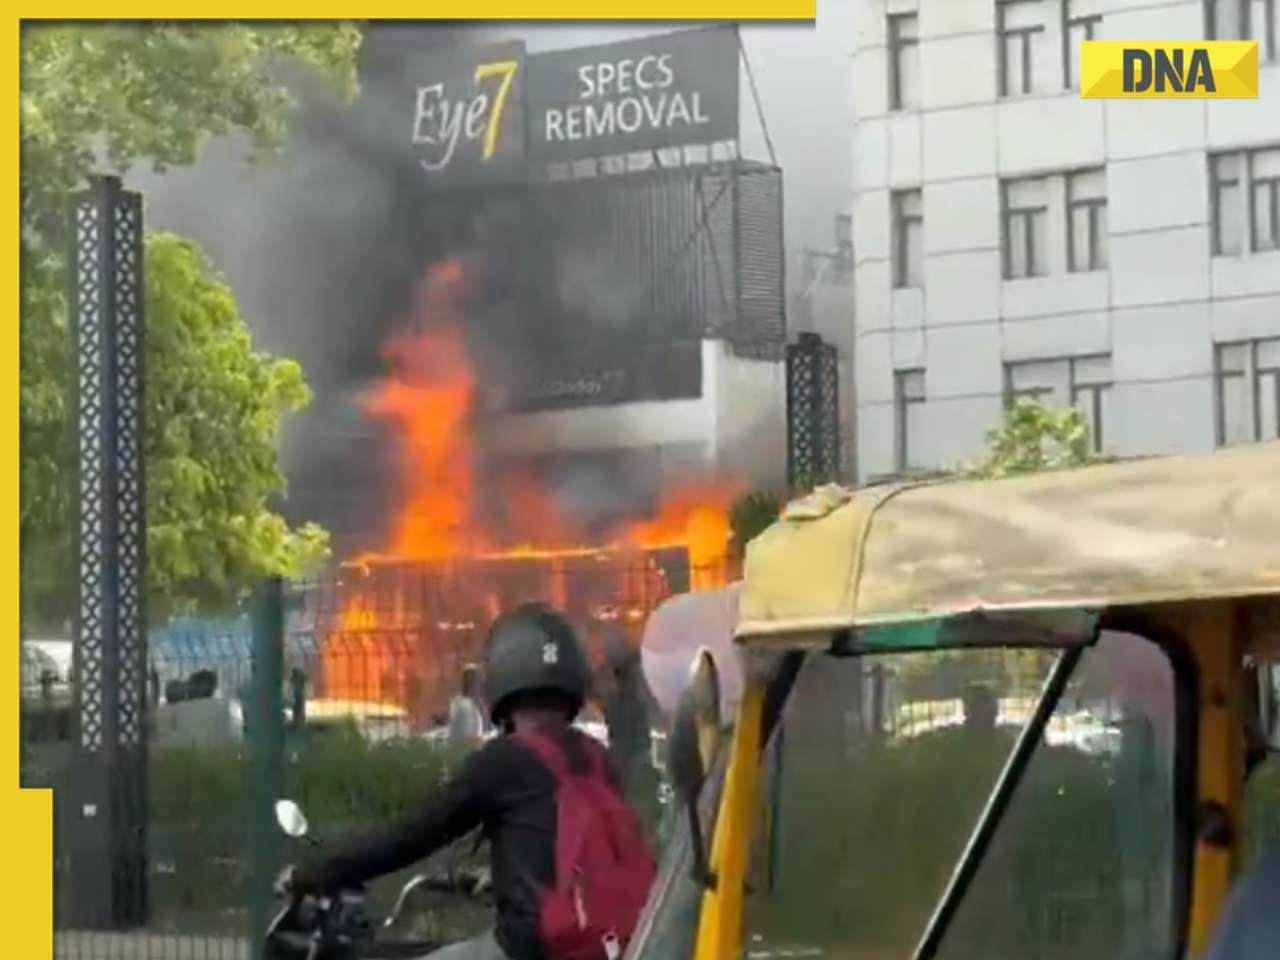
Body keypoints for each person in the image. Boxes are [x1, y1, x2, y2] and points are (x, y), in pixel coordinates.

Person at [282, 603, 657, 960]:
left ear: (503, 676)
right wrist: (497, 876)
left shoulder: (507, 760)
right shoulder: (594, 756)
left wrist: (317, 871)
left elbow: (410, 836)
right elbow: (559, 843)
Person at [448, 662, 486, 751]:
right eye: (479, 682)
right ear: (473, 684)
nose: (481, 687)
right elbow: (469, 741)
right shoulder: (466, 709)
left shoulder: (459, 703)